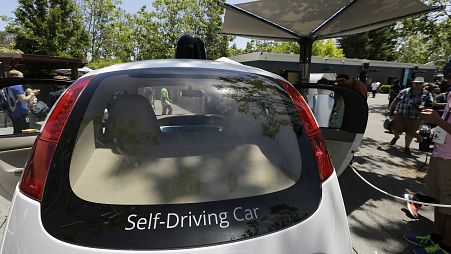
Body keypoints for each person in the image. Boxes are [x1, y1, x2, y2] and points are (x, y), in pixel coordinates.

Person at [403, 73, 451, 254]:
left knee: (449, 208)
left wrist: (437, 121)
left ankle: (444, 248)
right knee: (439, 201)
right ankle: (434, 239)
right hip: (440, 155)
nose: (446, 80)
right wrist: (437, 128)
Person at [388, 77, 433, 155]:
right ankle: (396, 137)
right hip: (400, 114)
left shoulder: (427, 94)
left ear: (423, 84)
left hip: (414, 117)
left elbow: (430, 104)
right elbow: (396, 101)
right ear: (413, 83)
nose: (418, 85)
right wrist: (390, 110)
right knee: (395, 129)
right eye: (416, 83)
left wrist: (423, 108)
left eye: (420, 83)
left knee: (410, 132)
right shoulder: (405, 91)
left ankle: (406, 147)